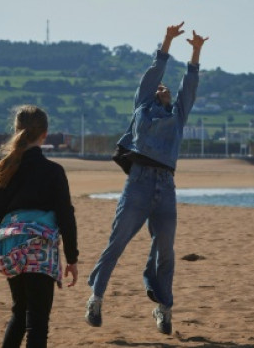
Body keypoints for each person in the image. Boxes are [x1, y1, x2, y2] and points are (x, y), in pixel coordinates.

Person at [86, 22, 208, 335]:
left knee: (165, 248)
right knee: (117, 242)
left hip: (166, 186)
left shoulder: (177, 115)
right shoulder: (142, 106)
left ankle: (163, 309)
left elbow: (189, 86)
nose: (161, 88)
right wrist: (167, 41)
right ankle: (96, 299)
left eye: (165, 89)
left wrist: (195, 50)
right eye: (157, 88)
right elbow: (154, 71)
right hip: (138, 183)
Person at [0, 105, 79, 348]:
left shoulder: (4, 166)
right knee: (38, 322)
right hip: (39, 248)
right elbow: (66, 216)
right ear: (44, 134)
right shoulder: (53, 172)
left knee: (20, 312)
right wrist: (72, 258)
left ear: (16, 129)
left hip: (10, 246)